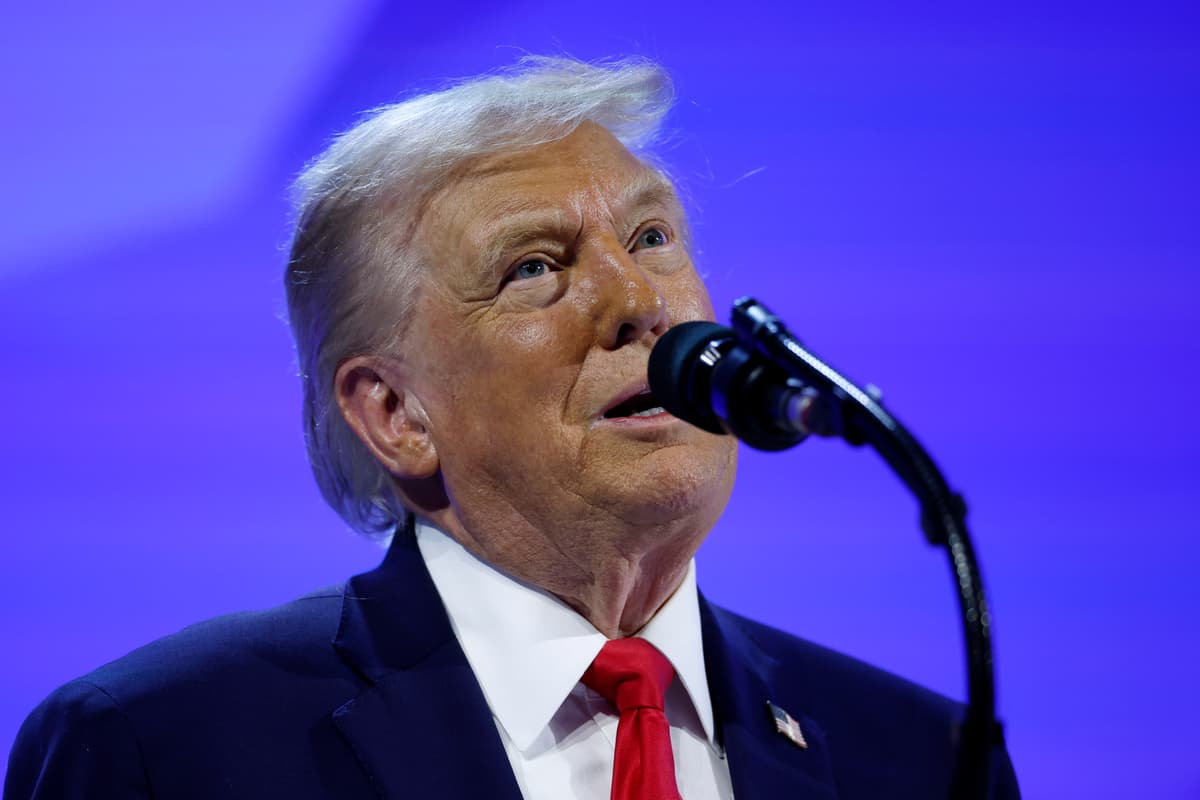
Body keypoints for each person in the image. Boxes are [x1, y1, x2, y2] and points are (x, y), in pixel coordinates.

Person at [4, 56, 1020, 799]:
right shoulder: (161, 750)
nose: (639, 301)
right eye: (533, 266)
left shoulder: (922, 757)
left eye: (652, 236)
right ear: (395, 414)